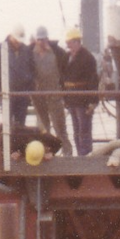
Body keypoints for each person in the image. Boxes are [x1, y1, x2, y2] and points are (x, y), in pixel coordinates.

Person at [31, 26, 72, 155]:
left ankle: (68, 155)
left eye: (44, 39)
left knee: (60, 128)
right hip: (38, 95)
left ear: (48, 39)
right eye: (39, 39)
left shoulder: (57, 52)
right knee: (43, 128)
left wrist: (65, 91)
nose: (42, 42)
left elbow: (66, 67)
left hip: (54, 93)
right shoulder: (31, 53)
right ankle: (46, 153)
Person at [0, 25, 35, 127]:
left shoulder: (26, 50)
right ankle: (7, 143)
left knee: (21, 125)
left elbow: (32, 70)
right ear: (10, 36)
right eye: (16, 39)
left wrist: (30, 89)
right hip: (6, 95)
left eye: (20, 40)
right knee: (7, 126)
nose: (18, 42)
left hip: (23, 96)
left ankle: (19, 143)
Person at [62, 27, 99, 155]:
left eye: (70, 44)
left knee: (84, 130)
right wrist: (65, 99)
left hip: (83, 101)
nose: (69, 47)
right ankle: (80, 155)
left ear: (77, 42)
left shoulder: (88, 58)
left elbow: (94, 81)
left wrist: (93, 102)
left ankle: (86, 156)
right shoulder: (67, 57)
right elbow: (63, 78)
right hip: (71, 100)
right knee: (76, 130)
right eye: (67, 45)